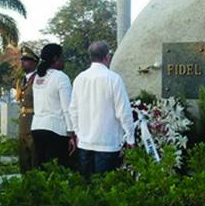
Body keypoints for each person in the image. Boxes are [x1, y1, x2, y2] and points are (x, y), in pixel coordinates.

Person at [69, 41, 135, 178]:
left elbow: (73, 110)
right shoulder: (113, 79)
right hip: (107, 143)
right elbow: (123, 112)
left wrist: (78, 134)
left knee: (86, 189)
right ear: (107, 56)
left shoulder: (79, 79)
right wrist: (130, 138)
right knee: (105, 189)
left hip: (85, 143)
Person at [31, 43, 74, 167]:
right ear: (56, 59)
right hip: (55, 130)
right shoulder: (61, 77)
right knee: (56, 169)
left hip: (37, 127)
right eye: (62, 57)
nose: (64, 60)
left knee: (41, 169)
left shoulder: (38, 77)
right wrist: (71, 132)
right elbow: (67, 108)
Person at [15, 46, 39, 173]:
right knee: (23, 157)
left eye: (26, 60)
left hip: (33, 121)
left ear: (34, 63)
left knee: (33, 155)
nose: (23, 62)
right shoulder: (23, 80)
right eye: (22, 60)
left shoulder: (38, 79)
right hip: (23, 122)